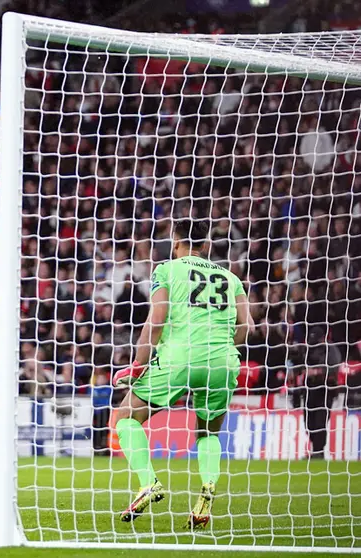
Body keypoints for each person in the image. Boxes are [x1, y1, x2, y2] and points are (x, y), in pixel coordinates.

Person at [111, 219, 252, 529]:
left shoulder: (167, 269)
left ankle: (148, 483)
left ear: (177, 244)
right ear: (207, 246)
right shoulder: (231, 278)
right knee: (208, 433)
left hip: (179, 357)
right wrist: (221, 347)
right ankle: (207, 494)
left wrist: (138, 365)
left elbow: (157, 318)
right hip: (223, 362)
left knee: (124, 417)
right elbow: (246, 326)